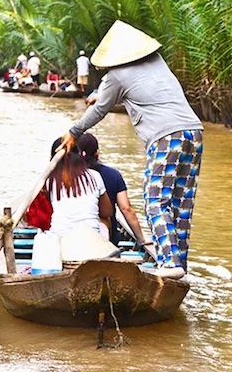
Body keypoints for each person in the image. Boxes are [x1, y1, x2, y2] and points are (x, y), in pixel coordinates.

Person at [61, 21, 203, 279]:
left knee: (155, 200)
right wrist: (103, 95)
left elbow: (100, 110)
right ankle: (179, 264)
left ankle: (170, 263)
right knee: (181, 203)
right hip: (193, 132)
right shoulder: (157, 61)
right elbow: (141, 88)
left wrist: (74, 132)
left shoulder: (117, 75)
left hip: (166, 136)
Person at [76, 132, 148, 247]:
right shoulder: (113, 175)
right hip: (108, 236)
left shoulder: (67, 177)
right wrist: (141, 239)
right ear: (97, 153)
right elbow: (126, 208)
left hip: (74, 234)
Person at [45, 138, 113, 239]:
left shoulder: (49, 181)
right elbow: (107, 212)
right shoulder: (95, 176)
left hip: (60, 237)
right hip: (90, 237)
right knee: (106, 220)